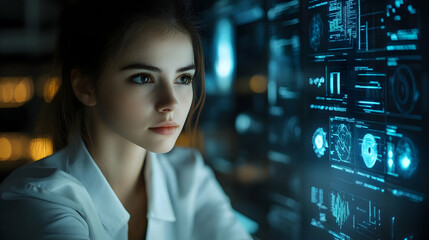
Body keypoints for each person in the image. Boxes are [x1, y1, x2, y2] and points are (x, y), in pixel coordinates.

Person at [0, 1, 252, 239]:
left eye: (183, 79)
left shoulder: (188, 175)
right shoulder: (38, 199)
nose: (171, 102)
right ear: (85, 87)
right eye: (144, 78)